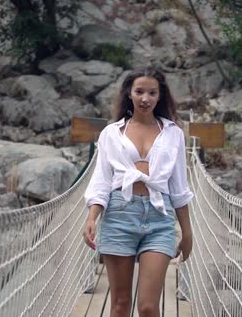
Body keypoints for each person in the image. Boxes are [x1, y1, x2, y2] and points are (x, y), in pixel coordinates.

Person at [83, 67, 194, 317]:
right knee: (121, 304)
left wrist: (187, 233)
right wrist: (92, 218)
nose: (146, 98)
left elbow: (179, 188)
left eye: (152, 93)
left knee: (147, 307)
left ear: (159, 96)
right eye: (140, 91)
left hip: (159, 219)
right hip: (120, 215)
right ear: (129, 94)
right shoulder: (111, 133)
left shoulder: (173, 133)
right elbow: (101, 181)